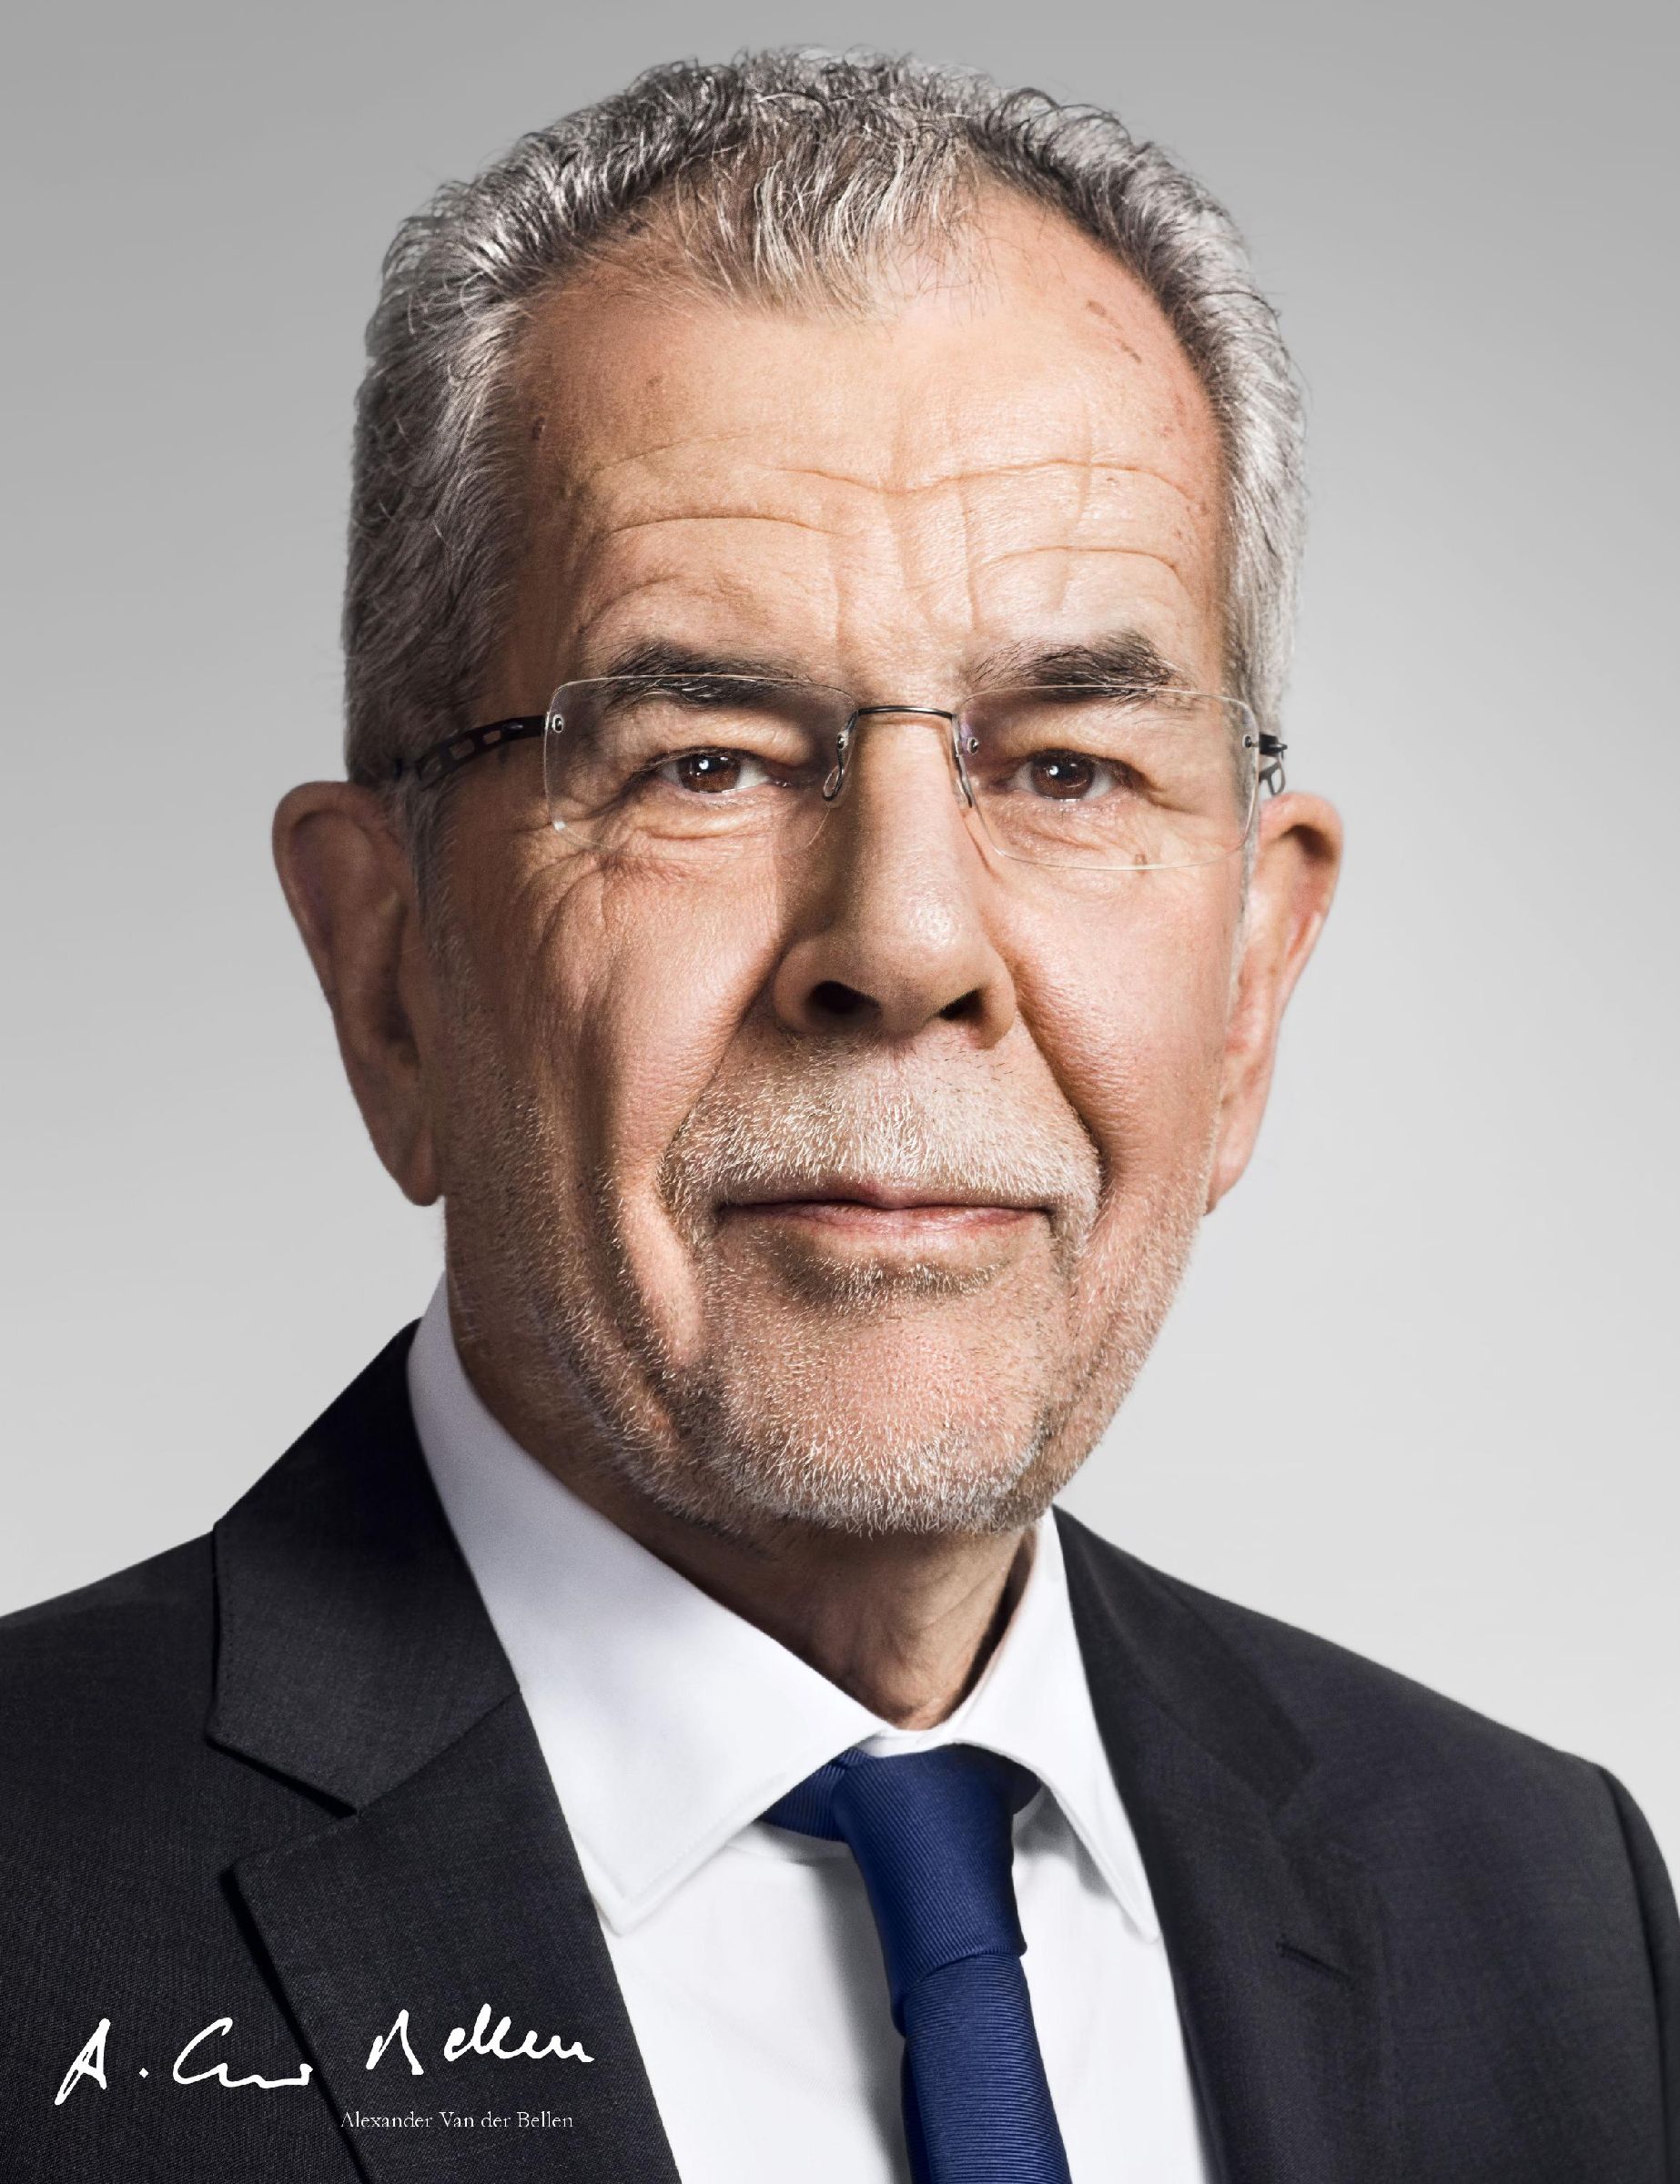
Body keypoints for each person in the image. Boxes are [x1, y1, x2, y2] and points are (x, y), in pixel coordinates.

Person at [2, 48, 1673, 2184]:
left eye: (1064, 766)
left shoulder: (1541, 1910)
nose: (902, 943)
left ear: (1250, 987)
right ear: (387, 968)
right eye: (700, 758)